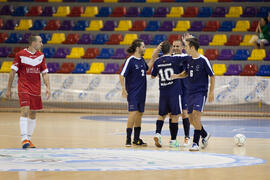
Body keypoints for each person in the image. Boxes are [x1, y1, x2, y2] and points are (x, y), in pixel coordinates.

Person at [6, 35, 51, 149]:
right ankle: (24, 138)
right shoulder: (20, 55)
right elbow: (12, 72)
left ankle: (29, 139)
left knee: (33, 113)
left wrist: (48, 87)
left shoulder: (41, 56)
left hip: (36, 89)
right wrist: (8, 88)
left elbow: (44, 73)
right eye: (40, 42)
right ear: (33, 43)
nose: (42, 44)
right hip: (24, 87)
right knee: (25, 110)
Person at [171, 37, 215, 151]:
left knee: (196, 116)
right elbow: (186, 72)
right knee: (191, 119)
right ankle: (204, 134)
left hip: (200, 92)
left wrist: (211, 92)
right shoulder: (189, 60)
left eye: (186, 46)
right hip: (189, 93)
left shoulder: (203, 60)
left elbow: (212, 76)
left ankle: (195, 143)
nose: (185, 48)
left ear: (191, 47)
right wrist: (177, 76)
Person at [119, 39, 156, 147]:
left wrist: (153, 58)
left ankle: (136, 139)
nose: (145, 48)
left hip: (142, 93)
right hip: (133, 93)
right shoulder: (130, 60)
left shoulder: (141, 60)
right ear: (137, 48)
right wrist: (123, 89)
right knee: (133, 113)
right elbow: (122, 75)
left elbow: (147, 68)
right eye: (143, 46)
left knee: (139, 115)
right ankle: (128, 139)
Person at [151, 41, 186, 148]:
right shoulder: (175, 59)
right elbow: (184, 71)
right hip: (174, 92)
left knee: (161, 115)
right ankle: (173, 141)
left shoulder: (157, 61)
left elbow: (153, 76)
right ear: (170, 49)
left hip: (163, 92)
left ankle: (158, 133)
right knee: (175, 115)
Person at [172, 39, 191, 147]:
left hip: (184, 89)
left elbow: (187, 72)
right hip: (173, 90)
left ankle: (187, 137)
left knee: (185, 113)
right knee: (173, 115)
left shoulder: (185, 58)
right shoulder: (170, 57)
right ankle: (173, 139)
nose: (175, 48)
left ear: (182, 47)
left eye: (177, 46)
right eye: (174, 46)